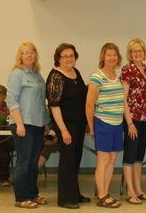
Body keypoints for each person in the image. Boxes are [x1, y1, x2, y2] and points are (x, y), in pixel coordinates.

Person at [6, 42, 50, 209]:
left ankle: (33, 194)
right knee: (24, 161)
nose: (29, 55)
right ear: (20, 56)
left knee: (33, 161)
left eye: (32, 52)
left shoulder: (38, 75)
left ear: (35, 55)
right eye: (25, 53)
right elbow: (12, 100)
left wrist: (46, 122)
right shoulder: (17, 74)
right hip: (23, 124)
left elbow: (41, 102)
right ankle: (21, 197)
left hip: (38, 124)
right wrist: (19, 123)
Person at [46, 43, 90, 209]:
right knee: (67, 161)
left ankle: (75, 194)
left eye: (71, 55)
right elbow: (54, 106)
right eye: (65, 56)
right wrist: (63, 130)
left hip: (78, 124)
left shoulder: (75, 72)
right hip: (66, 125)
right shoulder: (56, 76)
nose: (69, 58)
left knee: (75, 159)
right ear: (58, 58)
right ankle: (65, 199)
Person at [86, 43, 124, 208]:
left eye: (115, 55)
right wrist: (92, 127)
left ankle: (106, 193)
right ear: (103, 56)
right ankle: (101, 196)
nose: (112, 58)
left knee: (112, 158)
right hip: (103, 123)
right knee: (103, 159)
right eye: (109, 55)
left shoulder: (117, 76)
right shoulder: (97, 76)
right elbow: (89, 104)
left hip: (117, 124)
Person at [121, 38, 146, 204]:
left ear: (144, 52)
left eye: (140, 50)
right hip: (131, 119)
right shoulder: (127, 70)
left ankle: (139, 189)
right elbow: (124, 99)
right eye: (134, 51)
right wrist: (130, 123)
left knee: (139, 156)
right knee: (130, 155)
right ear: (130, 54)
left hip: (144, 118)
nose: (137, 53)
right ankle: (130, 191)